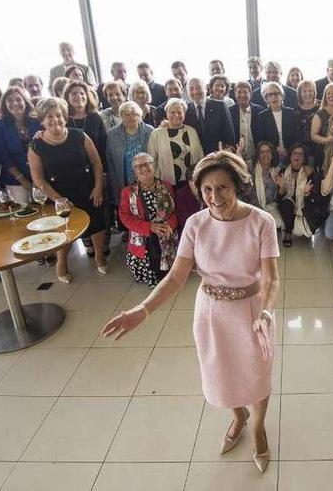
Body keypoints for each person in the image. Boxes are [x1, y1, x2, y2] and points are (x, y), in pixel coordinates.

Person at [101, 150, 281, 475]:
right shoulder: (196, 224)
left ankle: (258, 427)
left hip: (253, 313)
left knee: (256, 372)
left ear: (237, 186)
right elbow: (176, 277)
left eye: (222, 188)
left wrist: (266, 313)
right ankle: (238, 416)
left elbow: (271, 278)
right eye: (207, 190)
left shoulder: (261, 222)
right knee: (222, 372)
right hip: (211, 313)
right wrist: (143, 310)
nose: (214, 197)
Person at [28, 97, 108, 282]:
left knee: (97, 224)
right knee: (63, 230)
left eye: (58, 115)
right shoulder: (36, 145)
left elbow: (97, 163)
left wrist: (97, 187)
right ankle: (61, 263)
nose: (54, 119)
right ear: (42, 120)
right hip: (59, 195)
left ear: (65, 117)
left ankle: (99, 257)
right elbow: (38, 179)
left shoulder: (79, 135)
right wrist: (58, 199)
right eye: (49, 116)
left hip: (87, 189)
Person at [118, 153, 178, 286]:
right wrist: (149, 227)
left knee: (167, 272)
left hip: (165, 234)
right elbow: (124, 216)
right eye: (139, 166)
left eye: (147, 164)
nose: (144, 168)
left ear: (154, 166)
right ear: (134, 170)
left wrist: (169, 225)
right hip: (143, 236)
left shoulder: (166, 186)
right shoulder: (127, 192)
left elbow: (174, 212)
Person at [147, 98, 204, 226]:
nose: (176, 115)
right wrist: (156, 182)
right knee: (171, 214)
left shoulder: (191, 131)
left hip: (190, 182)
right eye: (172, 112)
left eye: (179, 112)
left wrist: (199, 178)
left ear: (184, 113)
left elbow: (200, 156)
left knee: (189, 213)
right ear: (166, 113)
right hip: (167, 183)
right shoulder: (156, 134)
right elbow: (152, 160)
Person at [0, 86, 41, 204]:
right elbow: (4, 156)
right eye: (10, 100)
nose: (15, 103)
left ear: (25, 102)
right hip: (14, 180)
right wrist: (22, 180)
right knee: (23, 214)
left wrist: (38, 178)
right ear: (4, 104)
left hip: (41, 177)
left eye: (18, 99)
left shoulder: (38, 122)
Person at [107, 100, 155, 211]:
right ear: (121, 116)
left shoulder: (150, 131)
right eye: (126, 114)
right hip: (123, 179)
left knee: (147, 208)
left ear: (140, 115)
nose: (130, 117)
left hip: (147, 176)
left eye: (134, 114)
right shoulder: (112, 135)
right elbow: (110, 162)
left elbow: (155, 156)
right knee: (130, 209)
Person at [277, 143, 325, 247]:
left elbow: (317, 199)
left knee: (305, 233)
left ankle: (300, 226)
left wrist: (307, 194)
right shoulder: (283, 172)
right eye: (294, 153)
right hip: (287, 210)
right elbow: (278, 199)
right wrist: (281, 188)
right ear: (290, 156)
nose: (297, 156)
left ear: (304, 158)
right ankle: (288, 234)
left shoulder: (310, 173)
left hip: (304, 208)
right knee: (286, 203)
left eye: (300, 154)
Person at [185, 77, 235, 154]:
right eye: (191, 89)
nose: (195, 91)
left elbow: (230, 138)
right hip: (195, 159)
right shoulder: (185, 110)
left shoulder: (220, 106)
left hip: (218, 157)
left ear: (206, 88)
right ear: (187, 93)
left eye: (198, 87)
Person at [256, 82, 298, 164]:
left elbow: (297, 136)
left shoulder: (292, 113)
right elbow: (262, 140)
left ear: (281, 96)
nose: (273, 97)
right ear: (266, 98)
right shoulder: (262, 116)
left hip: (291, 155)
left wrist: (288, 151)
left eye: (276, 94)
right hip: (271, 157)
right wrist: (276, 149)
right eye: (270, 95)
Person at [246, 141, 283, 228]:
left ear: (272, 154)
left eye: (268, 151)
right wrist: (260, 210)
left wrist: (282, 188)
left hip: (272, 205)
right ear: (258, 155)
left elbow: (279, 197)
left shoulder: (277, 169)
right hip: (255, 205)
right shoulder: (251, 168)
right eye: (262, 152)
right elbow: (249, 194)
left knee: (276, 223)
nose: (265, 155)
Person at [230, 81, 265, 162]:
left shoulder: (260, 111)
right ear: (235, 94)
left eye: (245, 92)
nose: (242, 95)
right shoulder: (229, 112)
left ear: (251, 94)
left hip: (258, 157)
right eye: (239, 92)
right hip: (236, 157)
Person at [294, 80, 319, 163]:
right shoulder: (295, 110)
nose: (307, 93)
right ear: (299, 94)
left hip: (320, 147)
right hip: (301, 150)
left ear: (314, 92)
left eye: (310, 90)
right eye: (304, 91)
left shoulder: (321, 106)